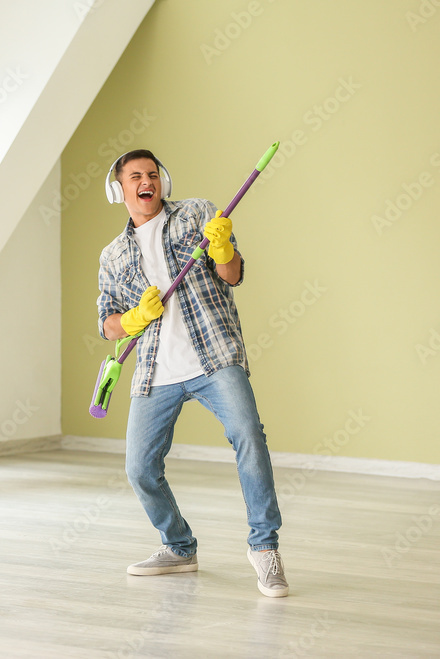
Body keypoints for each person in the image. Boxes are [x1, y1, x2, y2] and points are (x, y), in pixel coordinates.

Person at [95, 149, 288, 597]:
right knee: (140, 468)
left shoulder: (197, 214)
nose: (147, 181)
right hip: (153, 371)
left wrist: (222, 247)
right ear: (118, 190)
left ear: (162, 181)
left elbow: (232, 273)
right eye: (135, 176)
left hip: (214, 357)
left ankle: (265, 548)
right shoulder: (112, 255)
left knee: (249, 438)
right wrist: (132, 321)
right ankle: (179, 547)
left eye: (152, 174)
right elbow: (107, 322)